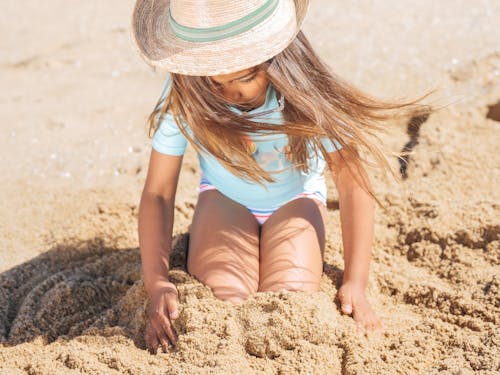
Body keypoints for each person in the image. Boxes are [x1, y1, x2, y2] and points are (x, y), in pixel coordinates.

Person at [132, 0, 431, 354]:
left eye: (245, 77)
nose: (232, 94)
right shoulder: (185, 94)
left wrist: (355, 282)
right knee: (224, 296)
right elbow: (158, 195)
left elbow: (353, 186)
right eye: (214, 80)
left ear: (278, 58)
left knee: (289, 297)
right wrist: (157, 283)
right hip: (225, 198)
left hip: (295, 201)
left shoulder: (308, 95)